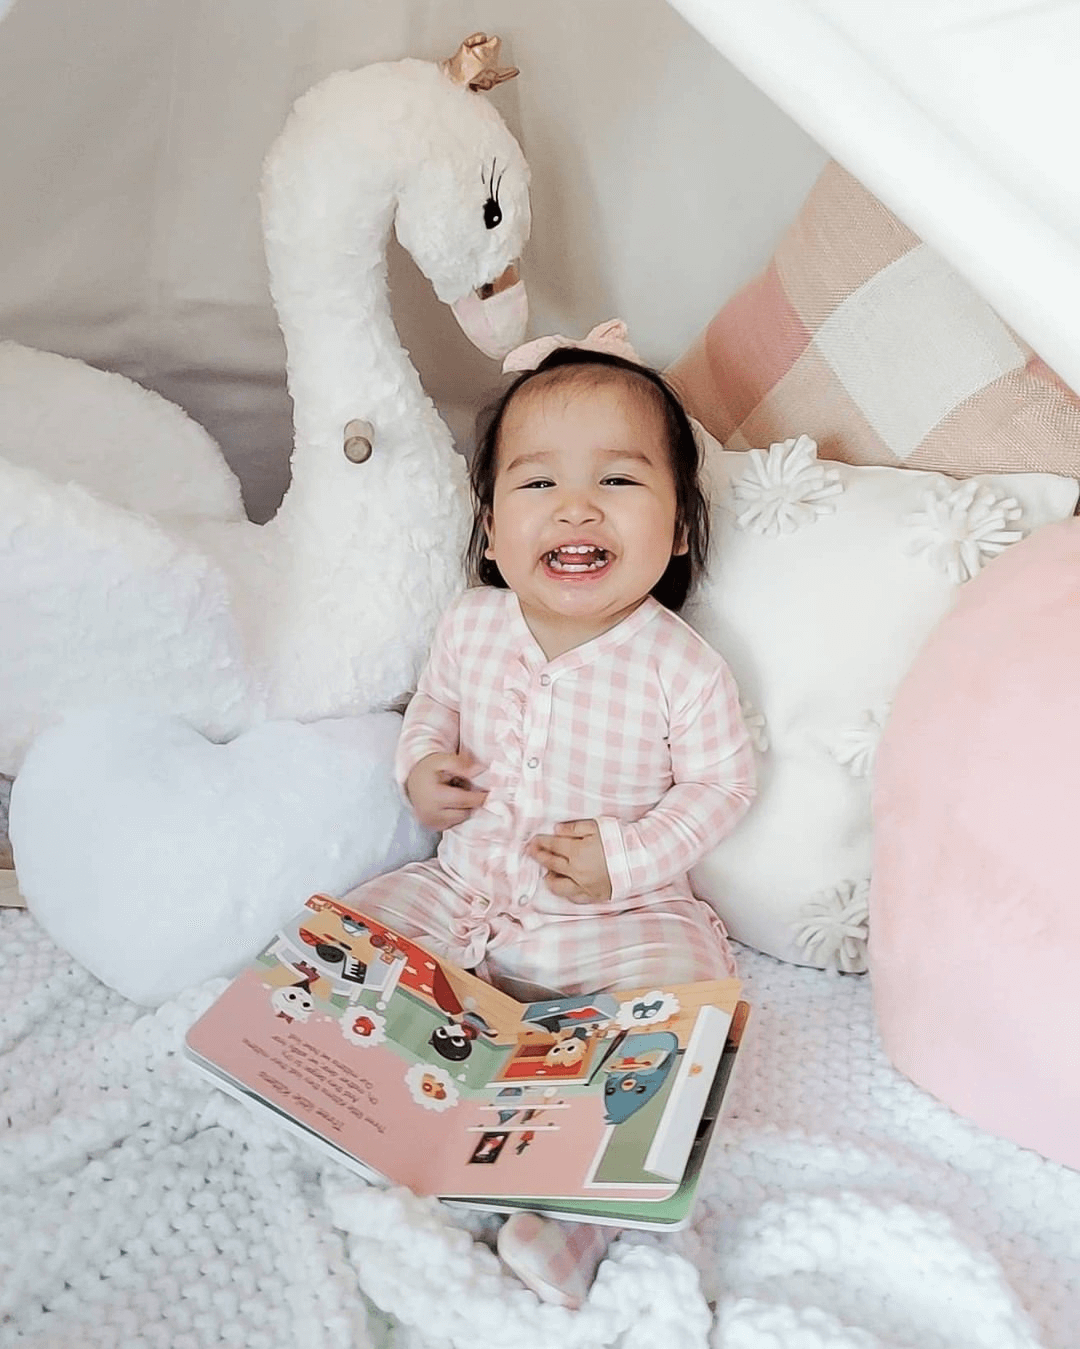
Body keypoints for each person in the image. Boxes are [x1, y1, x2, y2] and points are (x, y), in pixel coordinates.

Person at [340, 335, 756, 1307]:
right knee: (359, 939)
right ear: (489, 530)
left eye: (618, 478)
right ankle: (394, 1121)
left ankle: (574, 1221)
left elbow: (721, 784)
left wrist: (626, 856)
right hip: (466, 884)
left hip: (615, 915)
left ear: (681, 530)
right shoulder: (472, 622)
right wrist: (423, 769)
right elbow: (434, 709)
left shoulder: (676, 662)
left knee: (672, 1022)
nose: (576, 507)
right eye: (539, 485)